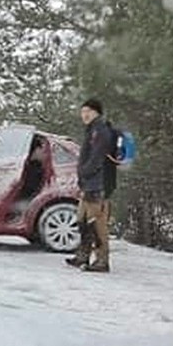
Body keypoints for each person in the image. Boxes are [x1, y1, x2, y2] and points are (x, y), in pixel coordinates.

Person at [65, 98, 114, 273]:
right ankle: (83, 255)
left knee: (97, 223)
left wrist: (84, 172)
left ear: (97, 113)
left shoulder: (101, 131)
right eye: (82, 111)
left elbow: (97, 158)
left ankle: (102, 261)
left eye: (88, 111)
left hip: (98, 184)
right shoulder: (92, 130)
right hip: (89, 184)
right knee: (82, 220)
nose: (84, 115)